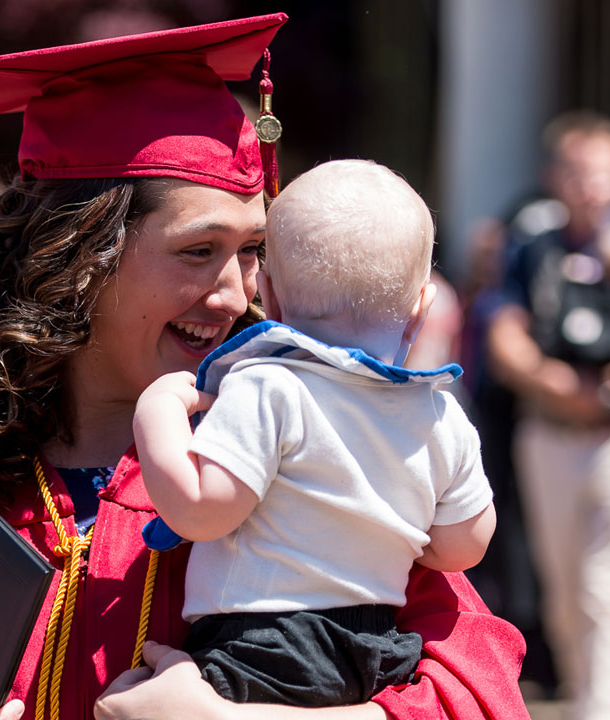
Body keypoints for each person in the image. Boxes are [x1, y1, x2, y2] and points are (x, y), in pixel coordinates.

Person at [0, 15, 530, 720]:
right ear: (77, 257)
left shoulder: (301, 466)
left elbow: (478, 690)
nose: (235, 292)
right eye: (198, 251)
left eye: (254, 252)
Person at [132, 160, 496, 706]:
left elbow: (200, 511)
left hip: (262, 648)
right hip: (377, 649)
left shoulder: (268, 386)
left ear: (270, 298)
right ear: (422, 308)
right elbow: (461, 547)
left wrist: (156, 409)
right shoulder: (443, 417)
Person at [485, 110, 610, 719]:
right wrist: (555, 385)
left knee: (602, 587)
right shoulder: (533, 244)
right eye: (575, 172)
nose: (588, 186)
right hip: (548, 432)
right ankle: (581, 690)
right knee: (564, 593)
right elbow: (504, 330)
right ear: (553, 177)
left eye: (599, 173)